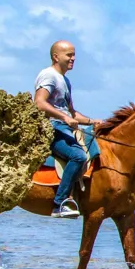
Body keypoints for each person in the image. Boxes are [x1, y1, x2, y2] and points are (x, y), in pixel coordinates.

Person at [34, 40, 99, 219]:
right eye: (69, 55)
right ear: (56, 56)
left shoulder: (65, 80)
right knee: (77, 156)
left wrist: (92, 121)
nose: (73, 58)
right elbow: (39, 103)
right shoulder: (49, 75)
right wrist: (63, 118)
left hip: (64, 125)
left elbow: (71, 112)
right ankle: (60, 203)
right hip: (52, 127)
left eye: (74, 54)